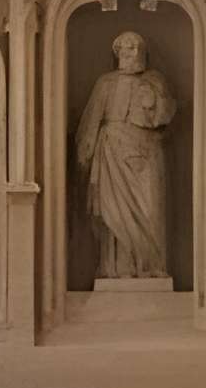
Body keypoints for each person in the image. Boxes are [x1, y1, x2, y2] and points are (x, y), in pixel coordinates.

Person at [74, 30, 180, 281]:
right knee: (114, 212)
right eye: (123, 48)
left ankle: (150, 267)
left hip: (146, 154)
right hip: (112, 153)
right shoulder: (106, 83)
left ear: (141, 52)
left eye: (132, 48)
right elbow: (92, 118)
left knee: (149, 210)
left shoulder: (154, 80)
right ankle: (118, 269)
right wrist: (86, 149)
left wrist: (152, 101)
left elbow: (167, 114)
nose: (127, 53)